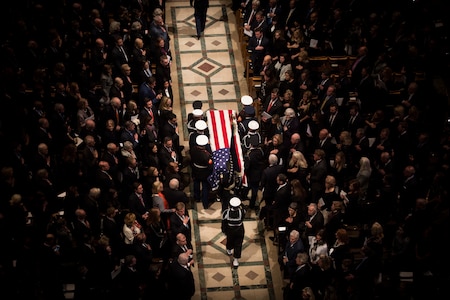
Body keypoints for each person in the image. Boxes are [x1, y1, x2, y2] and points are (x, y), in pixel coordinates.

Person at [222, 197, 246, 267]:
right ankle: (236, 260)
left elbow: (224, 222)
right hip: (239, 230)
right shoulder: (242, 211)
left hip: (230, 230)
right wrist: (241, 203)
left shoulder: (226, 212)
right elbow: (244, 208)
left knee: (230, 240)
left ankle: (229, 249)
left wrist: (223, 230)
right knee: (238, 244)